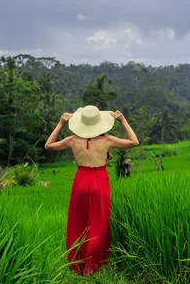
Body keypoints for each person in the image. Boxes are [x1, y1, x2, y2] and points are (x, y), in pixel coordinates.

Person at [45, 105, 139, 276]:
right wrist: (123, 121)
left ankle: (77, 267)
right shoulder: (107, 140)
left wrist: (60, 124)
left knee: (78, 222)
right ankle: (93, 267)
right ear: (99, 123)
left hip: (80, 181)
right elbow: (134, 142)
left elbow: (49, 145)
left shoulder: (73, 140)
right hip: (100, 181)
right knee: (99, 223)